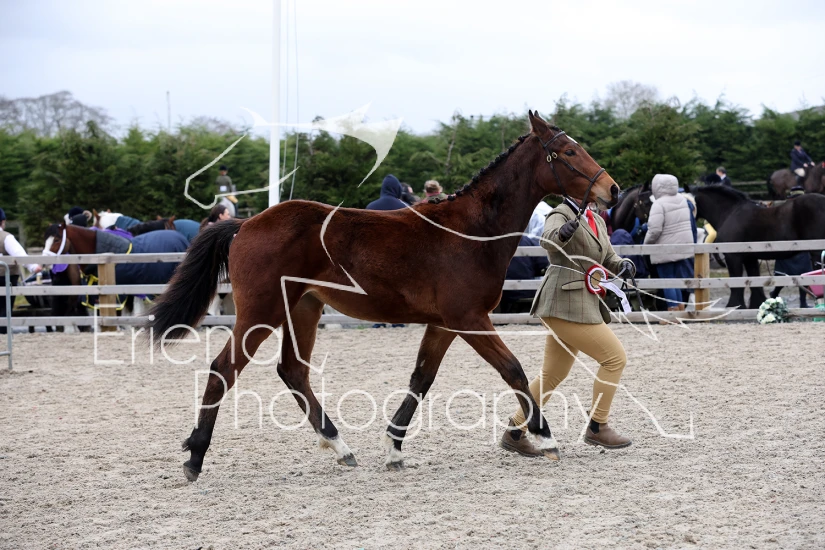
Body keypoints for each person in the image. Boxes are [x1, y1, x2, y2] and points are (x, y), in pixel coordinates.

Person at [500, 196, 636, 458]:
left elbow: (607, 255)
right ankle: (598, 426)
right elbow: (547, 240)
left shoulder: (596, 219)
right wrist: (561, 233)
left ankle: (515, 431)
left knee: (553, 373)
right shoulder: (560, 213)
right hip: (563, 301)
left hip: (580, 304)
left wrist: (622, 264)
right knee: (614, 359)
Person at [643, 174, 695, 311]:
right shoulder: (682, 200)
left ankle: (672, 311)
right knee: (675, 280)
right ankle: (680, 308)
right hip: (681, 248)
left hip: (664, 249)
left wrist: (645, 245)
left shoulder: (659, 204)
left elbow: (654, 230)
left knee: (667, 281)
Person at [0, 208, 41, 333]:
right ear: (3, 222)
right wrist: (33, 267)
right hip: (5, 277)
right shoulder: (6, 237)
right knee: (4, 309)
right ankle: (3, 335)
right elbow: (19, 255)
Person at [499, 234, 550, 313]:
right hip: (528, 292)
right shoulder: (527, 241)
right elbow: (543, 263)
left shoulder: (496, 243)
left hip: (505, 295)